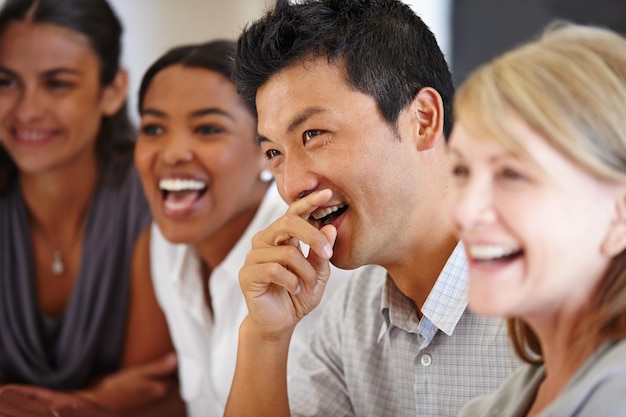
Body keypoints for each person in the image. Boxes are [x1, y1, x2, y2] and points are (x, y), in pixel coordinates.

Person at [224, 0, 520, 416]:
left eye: (313, 134)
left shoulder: (541, 292)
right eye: (274, 152)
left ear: (423, 119)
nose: (291, 186)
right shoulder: (348, 314)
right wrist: (264, 338)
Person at [133, 39, 351, 417]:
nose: (172, 153)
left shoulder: (312, 257)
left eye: (207, 129)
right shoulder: (164, 242)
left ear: (266, 153)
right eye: (153, 129)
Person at [0, 0, 182, 415]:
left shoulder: (154, 196)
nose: (27, 110)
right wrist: (99, 400)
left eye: (57, 83)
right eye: (6, 82)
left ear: (113, 90)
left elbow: (152, 391)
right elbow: (123, 397)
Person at [450, 23, 626, 417]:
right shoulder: (496, 406)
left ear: (620, 213)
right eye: (460, 171)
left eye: (512, 174)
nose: (463, 212)